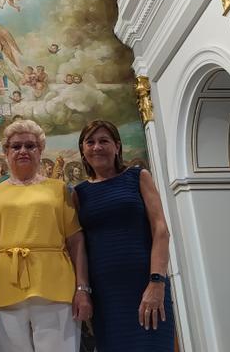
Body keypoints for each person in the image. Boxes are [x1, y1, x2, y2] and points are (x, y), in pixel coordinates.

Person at [0, 119, 92, 351]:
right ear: (6, 152)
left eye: (30, 146)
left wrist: (82, 289)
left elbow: (76, 241)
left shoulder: (59, 189)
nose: (23, 151)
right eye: (16, 146)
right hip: (4, 288)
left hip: (55, 287)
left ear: (41, 150)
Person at [74, 120, 174, 351]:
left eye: (104, 141)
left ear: (117, 146)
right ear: (83, 150)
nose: (97, 147)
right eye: (90, 142)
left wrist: (157, 281)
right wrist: (84, 291)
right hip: (106, 295)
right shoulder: (79, 194)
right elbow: (80, 247)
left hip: (145, 284)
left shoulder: (138, 177)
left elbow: (161, 230)